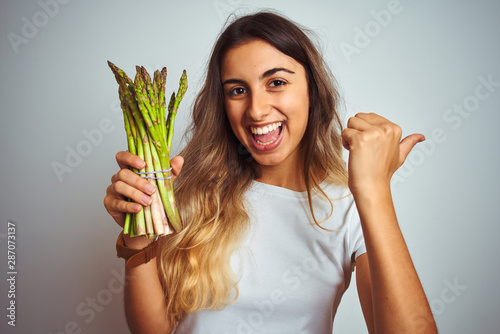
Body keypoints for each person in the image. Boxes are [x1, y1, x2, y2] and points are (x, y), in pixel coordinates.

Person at [104, 11, 437, 334]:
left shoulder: (351, 207)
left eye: (276, 82)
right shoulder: (185, 189)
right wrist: (138, 238)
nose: (257, 109)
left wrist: (374, 189)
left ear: (313, 91)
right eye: (237, 90)